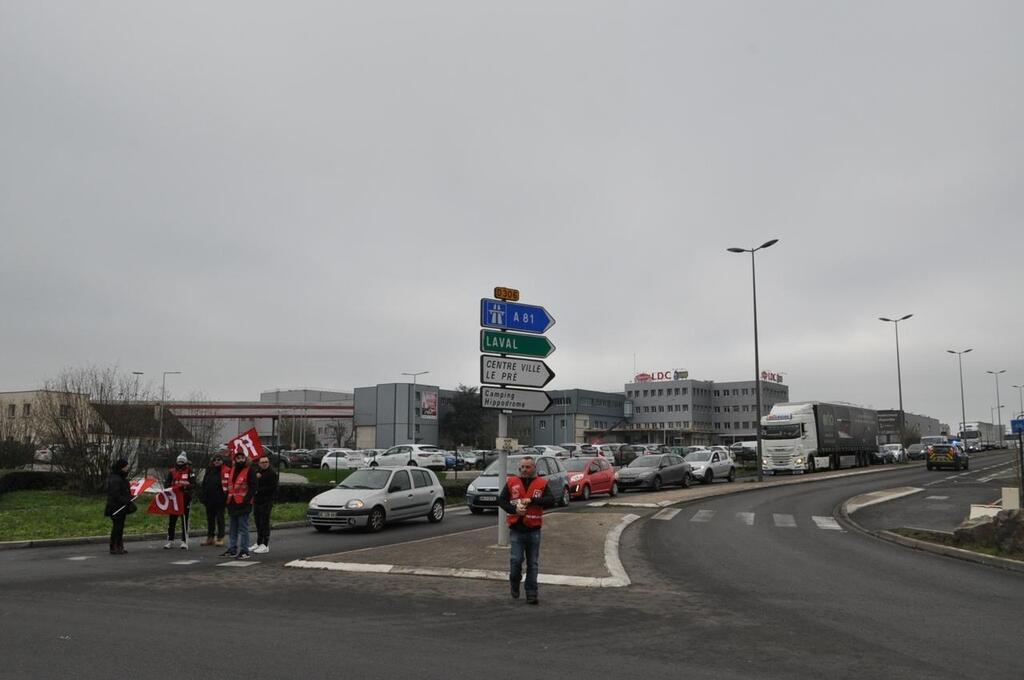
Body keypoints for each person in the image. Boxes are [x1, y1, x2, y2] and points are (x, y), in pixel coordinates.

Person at [498, 456, 556, 605]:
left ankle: (531, 593)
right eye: (522, 467)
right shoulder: (512, 482)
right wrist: (514, 509)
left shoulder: (541, 484)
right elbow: (501, 501)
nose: (524, 470)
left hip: (534, 530)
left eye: (527, 467)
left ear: (533, 468)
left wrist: (532, 500)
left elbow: (551, 500)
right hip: (517, 529)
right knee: (516, 560)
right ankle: (514, 581)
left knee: (533, 564)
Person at [222, 450, 254, 559]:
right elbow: (230, 486)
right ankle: (232, 548)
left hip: (243, 503)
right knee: (233, 528)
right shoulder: (232, 470)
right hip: (232, 502)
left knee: (243, 528)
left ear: (245, 459)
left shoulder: (249, 470)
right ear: (235, 459)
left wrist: (246, 499)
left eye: (242, 458)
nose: (240, 460)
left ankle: (245, 550)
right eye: (238, 458)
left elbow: (253, 487)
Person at [163, 452, 196, 549]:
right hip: (174, 498)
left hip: (185, 498)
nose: (180, 463)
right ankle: (170, 540)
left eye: (182, 461)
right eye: (179, 461)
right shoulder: (172, 471)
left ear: (185, 462)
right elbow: (167, 483)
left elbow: (194, 484)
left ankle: (184, 541)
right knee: (172, 520)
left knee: (184, 520)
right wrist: (170, 490)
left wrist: (186, 487)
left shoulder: (190, 471)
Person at [103, 458, 133, 555]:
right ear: (121, 467)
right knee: (117, 527)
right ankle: (114, 546)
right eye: (126, 467)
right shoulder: (115, 479)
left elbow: (125, 491)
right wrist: (126, 500)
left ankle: (119, 546)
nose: (127, 468)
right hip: (115, 507)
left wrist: (131, 497)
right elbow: (115, 494)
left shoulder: (122, 478)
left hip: (121, 507)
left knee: (120, 527)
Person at [200, 453, 228, 546]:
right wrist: (203, 496)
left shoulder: (226, 470)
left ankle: (220, 537)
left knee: (220, 519)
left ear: (222, 461)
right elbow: (204, 484)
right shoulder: (209, 470)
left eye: (219, 460)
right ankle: (210, 537)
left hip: (220, 499)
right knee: (210, 519)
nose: (216, 461)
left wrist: (226, 497)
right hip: (209, 499)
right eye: (215, 460)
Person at [252, 455, 278, 554]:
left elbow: (272, 487)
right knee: (258, 522)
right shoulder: (258, 472)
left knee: (264, 522)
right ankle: (259, 542)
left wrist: (257, 490)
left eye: (266, 462)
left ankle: (265, 544)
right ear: (259, 463)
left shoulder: (272, 473)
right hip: (257, 501)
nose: (265, 464)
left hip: (267, 501)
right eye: (262, 462)